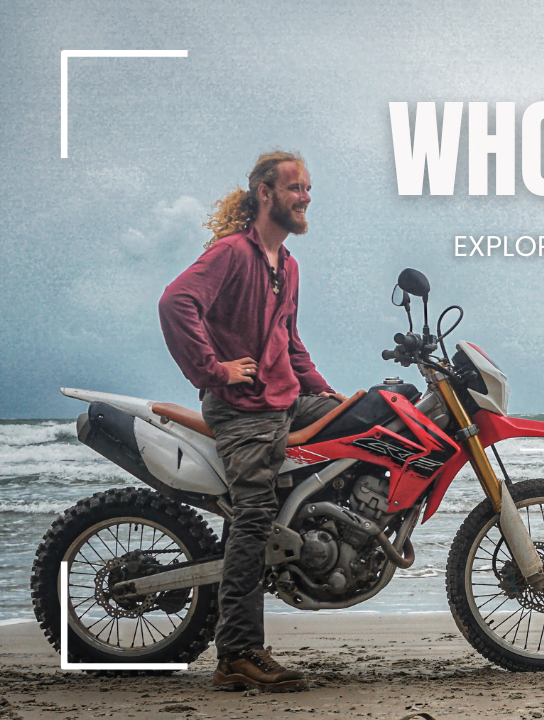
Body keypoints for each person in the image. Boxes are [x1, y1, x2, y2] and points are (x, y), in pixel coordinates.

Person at [158, 150, 346, 691]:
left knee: (372, 419)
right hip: (242, 411)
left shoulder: (286, 264)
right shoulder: (232, 253)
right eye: (295, 188)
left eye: (308, 188)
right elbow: (176, 304)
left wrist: (329, 396)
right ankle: (237, 653)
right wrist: (215, 371)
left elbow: (290, 341)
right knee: (254, 516)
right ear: (265, 193)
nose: (305, 196)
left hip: (283, 399)